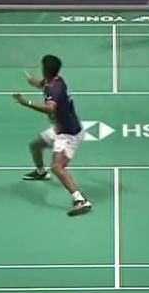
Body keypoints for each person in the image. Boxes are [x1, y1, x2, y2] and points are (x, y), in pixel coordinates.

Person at [15, 55, 92, 217]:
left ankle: (80, 200)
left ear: (46, 70)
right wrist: (34, 82)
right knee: (35, 146)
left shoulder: (56, 88)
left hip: (69, 134)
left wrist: (26, 102)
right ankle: (41, 172)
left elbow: (50, 108)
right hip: (59, 129)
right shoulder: (52, 80)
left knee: (57, 167)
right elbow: (42, 84)